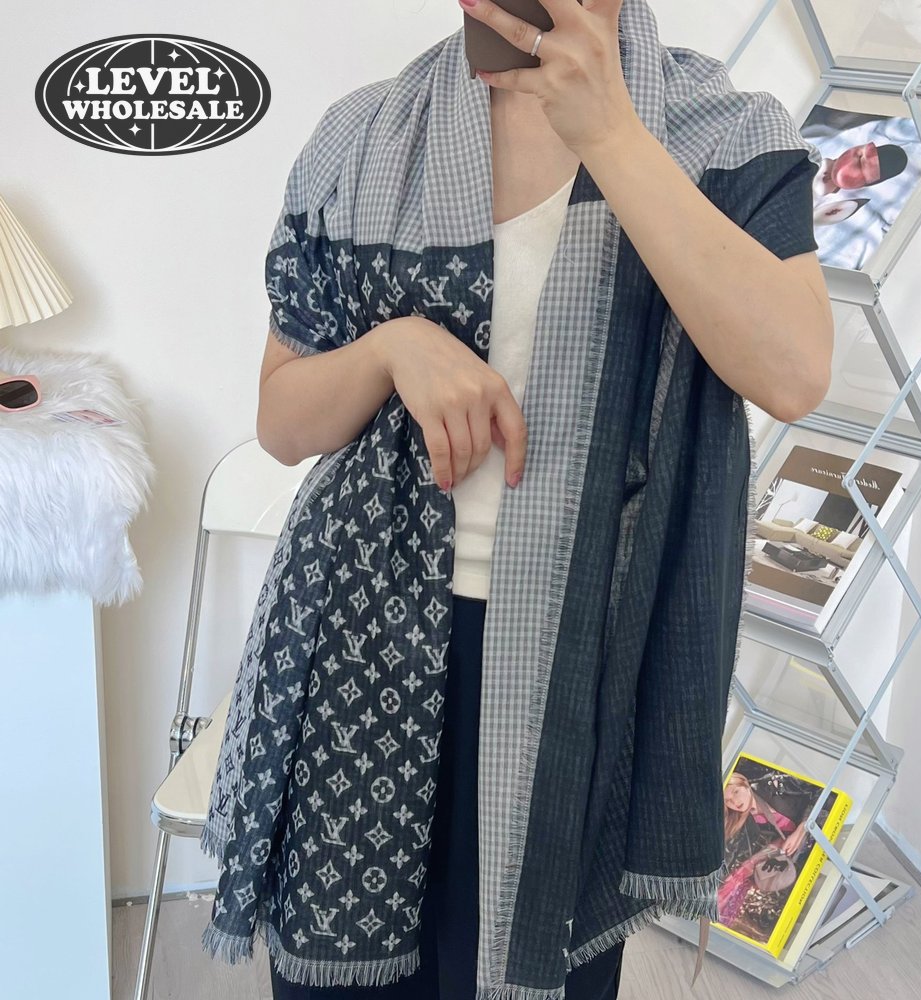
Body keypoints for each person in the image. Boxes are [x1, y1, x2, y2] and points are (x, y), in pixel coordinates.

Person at [250, 1, 834, 996]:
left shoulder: (723, 131)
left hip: (578, 662)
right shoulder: (359, 137)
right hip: (360, 644)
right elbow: (282, 421)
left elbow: (792, 372)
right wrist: (392, 350)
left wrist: (610, 132)